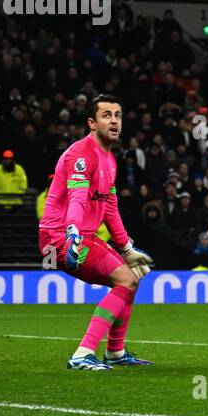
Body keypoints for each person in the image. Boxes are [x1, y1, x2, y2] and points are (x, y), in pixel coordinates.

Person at [39, 94, 155, 371]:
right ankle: (82, 353)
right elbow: (77, 198)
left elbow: (110, 206)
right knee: (126, 281)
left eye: (117, 115)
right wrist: (73, 234)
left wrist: (126, 248)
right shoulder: (81, 154)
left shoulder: (110, 160)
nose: (114, 120)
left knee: (130, 280)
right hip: (60, 236)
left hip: (82, 235)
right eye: (106, 115)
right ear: (92, 123)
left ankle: (115, 352)